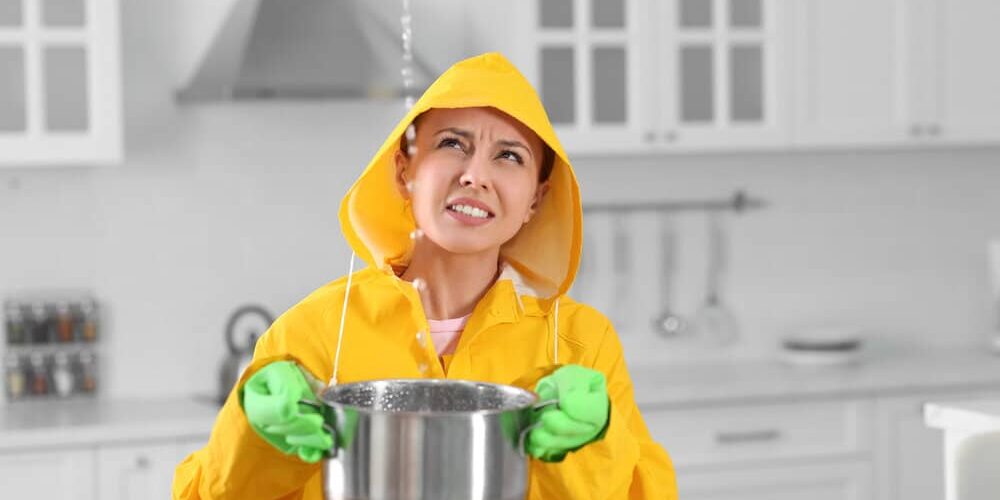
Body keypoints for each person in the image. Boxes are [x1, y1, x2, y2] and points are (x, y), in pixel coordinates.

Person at [173, 52, 677, 499]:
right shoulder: (314, 333)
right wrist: (252, 437)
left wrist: (596, 440)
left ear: (535, 200)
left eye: (509, 156)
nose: (475, 175)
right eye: (453, 144)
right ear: (404, 173)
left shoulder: (580, 346)